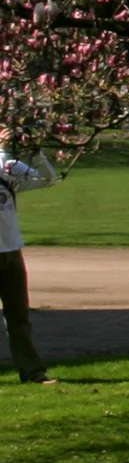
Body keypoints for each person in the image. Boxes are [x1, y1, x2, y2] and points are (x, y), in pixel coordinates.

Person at [1, 130, 70, 382]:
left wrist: (36, 154)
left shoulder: (9, 166)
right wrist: (3, 150)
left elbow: (48, 179)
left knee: (19, 317)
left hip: (11, 249)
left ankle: (32, 370)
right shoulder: (4, 163)